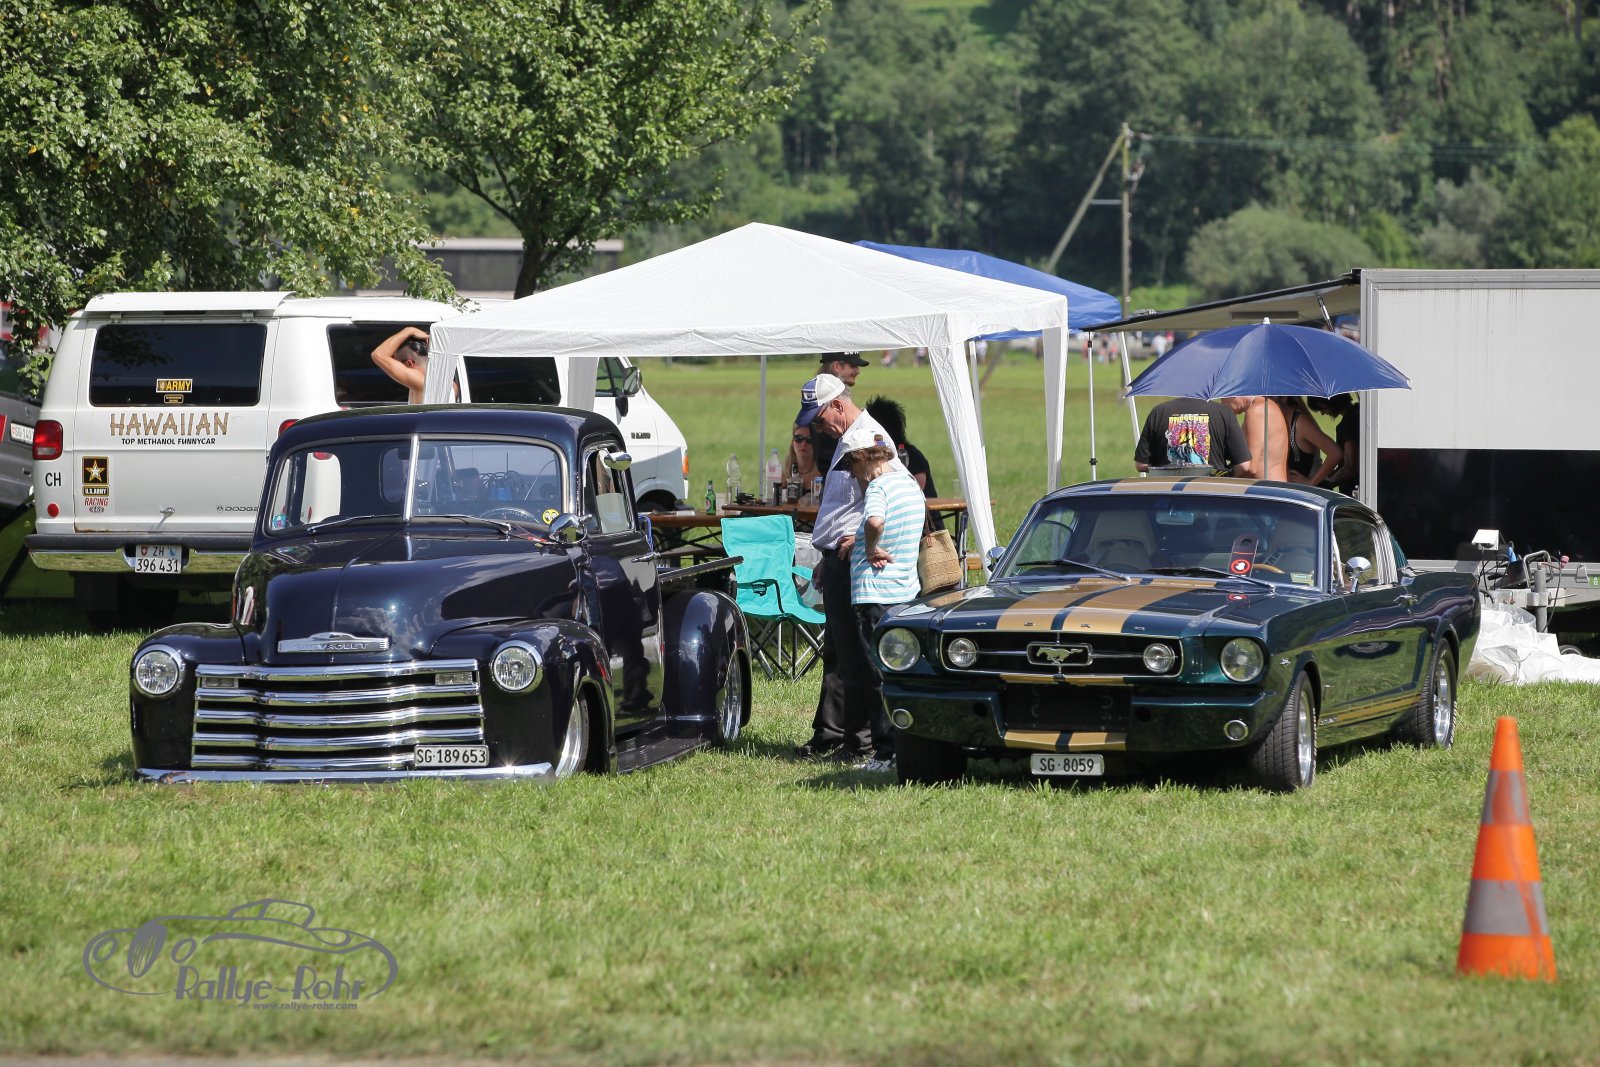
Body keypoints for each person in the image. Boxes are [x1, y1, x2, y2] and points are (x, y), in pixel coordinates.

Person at [790, 373, 902, 762]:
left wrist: (859, 538)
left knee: (857, 658)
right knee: (839, 654)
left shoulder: (867, 439)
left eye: (820, 419)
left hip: (853, 560)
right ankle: (836, 734)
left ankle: (863, 743)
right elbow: (843, 504)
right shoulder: (847, 438)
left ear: (838, 404)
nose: (817, 428)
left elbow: (888, 494)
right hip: (836, 559)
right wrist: (826, 555)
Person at [843, 430, 925, 770]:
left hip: (875, 593)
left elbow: (876, 521)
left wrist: (870, 547)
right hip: (905, 592)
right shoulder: (909, 485)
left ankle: (886, 751)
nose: (851, 475)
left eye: (850, 466)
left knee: (877, 675)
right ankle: (906, 744)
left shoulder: (878, 487)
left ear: (863, 458)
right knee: (900, 671)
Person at [1134, 397, 1250, 474]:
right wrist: (1223, 475)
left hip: (1169, 494)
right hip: (1210, 494)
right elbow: (1243, 466)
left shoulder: (1158, 412)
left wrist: (1163, 469)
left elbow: (1141, 464)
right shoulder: (1224, 413)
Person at [810, 352, 867, 474]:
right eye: (853, 366)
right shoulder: (824, 405)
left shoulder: (819, 399)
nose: (858, 371)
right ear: (837, 366)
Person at [1282, 396, 1343, 487]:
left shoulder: (1300, 424)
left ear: (1283, 398)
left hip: (1307, 491)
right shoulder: (1274, 421)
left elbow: (1335, 453)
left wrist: (1311, 482)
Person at [1224, 395, 1288, 480]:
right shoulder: (1266, 406)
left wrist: (1222, 475)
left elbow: (1250, 466)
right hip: (1273, 484)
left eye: (1222, 399)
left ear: (1233, 395)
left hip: (1266, 486)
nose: (1223, 405)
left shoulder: (1256, 411)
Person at [1307, 393, 1360, 492]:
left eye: (1322, 408)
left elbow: (1351, 466)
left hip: (1353, 489)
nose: (1322, 413)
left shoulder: (1348, 423)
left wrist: (1325, 483)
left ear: (1330, 402)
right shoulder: (1357, 412)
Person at [371, 326, 433, 403]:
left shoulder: (420, 380)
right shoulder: (443, 379)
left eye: (398, 364)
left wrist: (409, 330)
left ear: (409, 363)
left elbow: (378, 355)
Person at [781, 421, 822, 497]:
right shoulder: (782, 472)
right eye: (799, 438)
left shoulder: (823, 473)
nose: (803, 444)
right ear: (793, 442)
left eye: (809, 439)